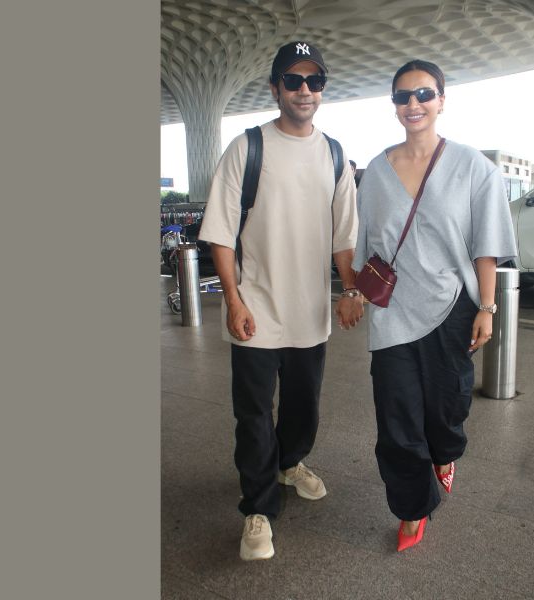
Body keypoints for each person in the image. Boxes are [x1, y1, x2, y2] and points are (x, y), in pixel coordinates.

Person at [198, 40, 364, 561]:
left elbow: (344, 237)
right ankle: (258, 509)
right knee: (253, 416)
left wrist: (350, 289)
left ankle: (290, 463)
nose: (304, 90)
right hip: (256, 308)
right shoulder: (247, 148)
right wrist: (233, 299)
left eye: (314, 81)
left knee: (302, 407)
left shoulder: (334, 155)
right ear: (275, 88)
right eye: (293, 80)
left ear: (322, 90)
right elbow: (221, 234)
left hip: (309, 312)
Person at [352, 59, 517, 551]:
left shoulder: (473, 167)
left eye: (424, 94)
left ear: (442, 100)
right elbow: (365, 244)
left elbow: (486, 246)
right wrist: (354, 292)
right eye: (403, 96)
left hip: (452, 308)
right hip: (392, 314)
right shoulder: (376, 172)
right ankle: (412, 508)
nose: (414, 103)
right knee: (396, 417)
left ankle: (444, 452)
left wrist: (487, 307)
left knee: (447, 409)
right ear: (394, 106)